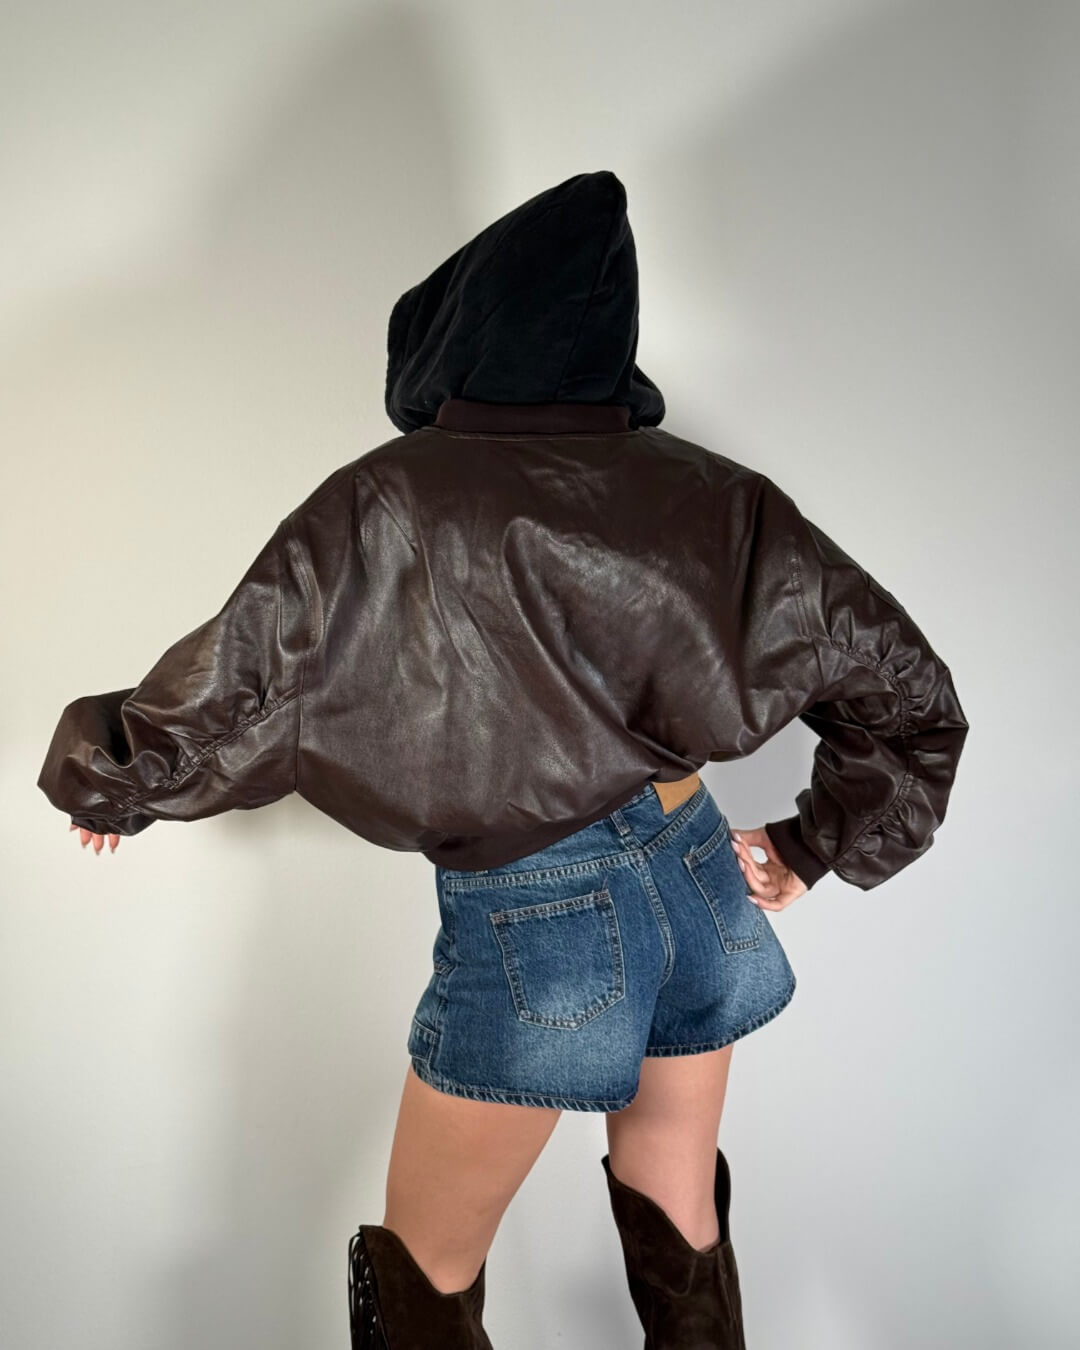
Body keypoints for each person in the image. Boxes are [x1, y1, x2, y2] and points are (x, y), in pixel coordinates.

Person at [39, 170, 969, 1349]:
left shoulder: (386, 502)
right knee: (682, 1232)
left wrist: (120, 777)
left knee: (421, 1283)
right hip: (699, 885)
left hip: (543, 919)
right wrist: (811, 843)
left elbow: (252, 676)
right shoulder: (716, 496)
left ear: (466, 324)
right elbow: (905, 688)